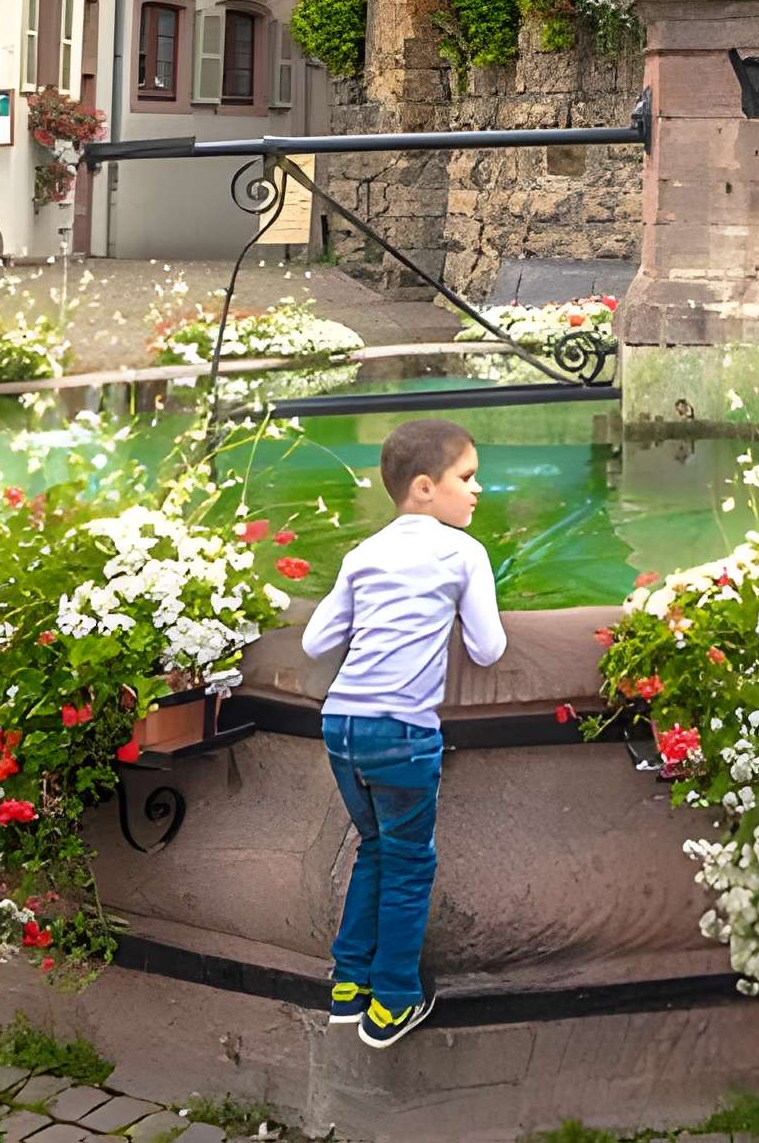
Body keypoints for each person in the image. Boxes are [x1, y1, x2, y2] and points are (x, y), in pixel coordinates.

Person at [302, 415, 504, 1050]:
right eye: (467, 478)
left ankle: (347, 984)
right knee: (411, 864)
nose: (477, 491)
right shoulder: (463, 552)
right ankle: (392, 1001)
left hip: (340, 725)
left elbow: (315, 641)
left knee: (375, 848)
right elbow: (490, 649)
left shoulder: (363, 554)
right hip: (402, 732)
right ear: (424, 487)